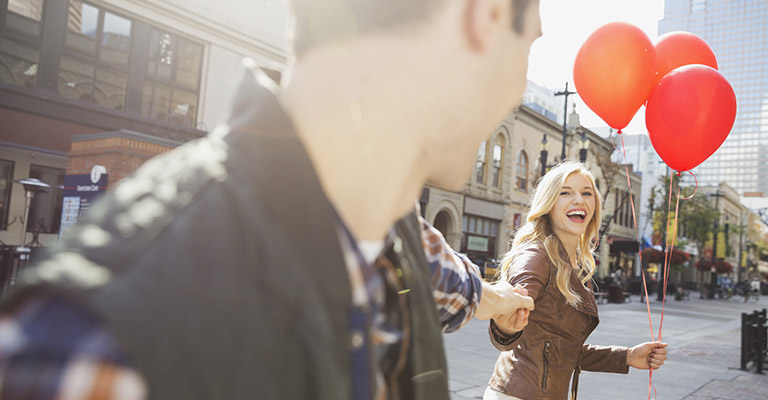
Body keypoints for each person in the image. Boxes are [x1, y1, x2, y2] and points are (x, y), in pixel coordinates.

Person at [0, 0, 541, 399]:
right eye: (531, 44)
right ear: (485, 16)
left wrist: (503, 301)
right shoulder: (103, 350)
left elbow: (453, 285)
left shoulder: (392, 230)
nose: (520, 87)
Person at [484, 162, 668, 400]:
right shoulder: (535, 256)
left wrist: (627, 357)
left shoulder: (576, 265)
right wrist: (506, 326)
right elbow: (508, 319)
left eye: (587, 193)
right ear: (548, 204)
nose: (579, 200)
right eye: (565, 192)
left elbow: (562, 351)